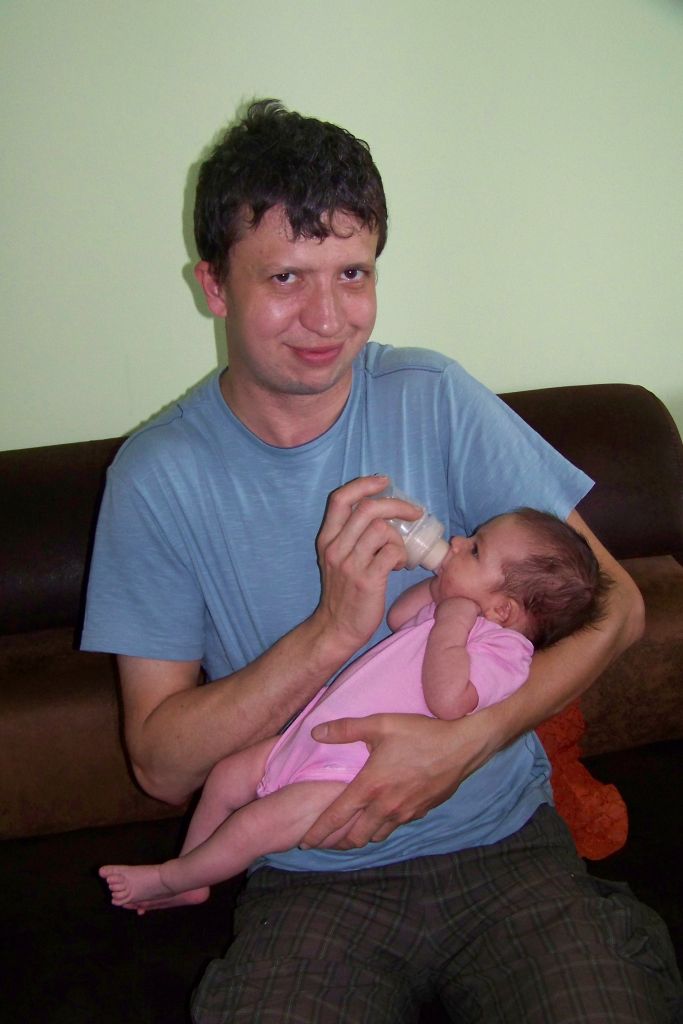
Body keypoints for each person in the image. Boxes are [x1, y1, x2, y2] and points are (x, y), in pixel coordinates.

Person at [82, 100, 681, 1021]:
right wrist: (330, 632)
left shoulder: (431, 395)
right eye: (286, 275)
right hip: (310, 871)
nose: (326, 318)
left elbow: (621, 608)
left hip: (506, 848)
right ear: (214, 285)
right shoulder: (157, 479)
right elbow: (161, 767)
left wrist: (466, 744)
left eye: (352, 273)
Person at [99, 508, 612, 914]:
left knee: (254, 827)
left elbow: (449, 700)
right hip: (314, 736)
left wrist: (453, 618)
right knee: (228, 776)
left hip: (351, 777)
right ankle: (193, 867)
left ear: (503, 610)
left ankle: (174, 878)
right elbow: (401, 616)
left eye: (475, 549)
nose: (457, 542)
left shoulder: (507, 654)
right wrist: (437, 588)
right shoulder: (454, 610)